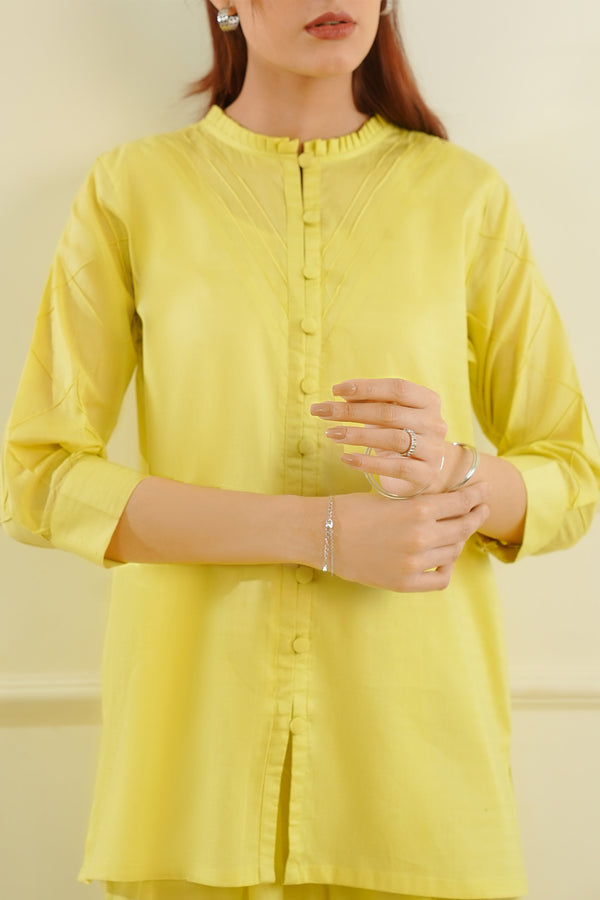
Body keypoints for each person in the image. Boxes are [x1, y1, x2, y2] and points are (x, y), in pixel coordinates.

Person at [2, 1, 599, 899]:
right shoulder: (131, 190)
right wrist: (321, 531)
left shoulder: (465, 196)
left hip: (418, 776)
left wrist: (455, 472)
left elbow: (571, 474)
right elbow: (38, 478)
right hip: (191, 771)